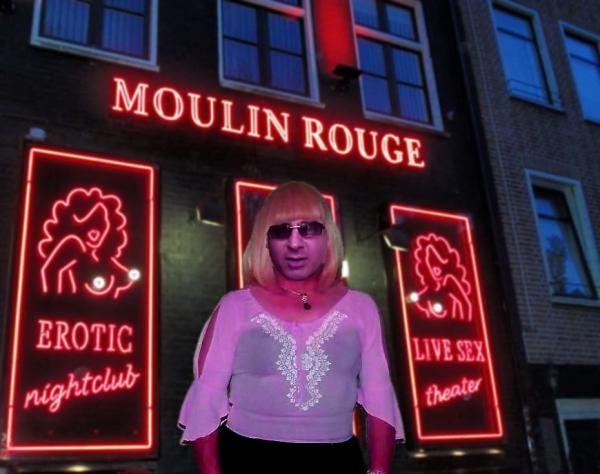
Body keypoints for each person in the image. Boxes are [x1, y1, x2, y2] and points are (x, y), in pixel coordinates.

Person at [178, 181, 404, 474]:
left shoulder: (362, 309)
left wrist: (380, 470)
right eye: (281, 231)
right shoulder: (235, 307)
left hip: (338, 459)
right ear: (265, 241)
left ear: (328, 237)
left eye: (308, 229)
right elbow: (207, 394)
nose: (294, 243)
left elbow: (379, 393)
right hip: (246, 458)